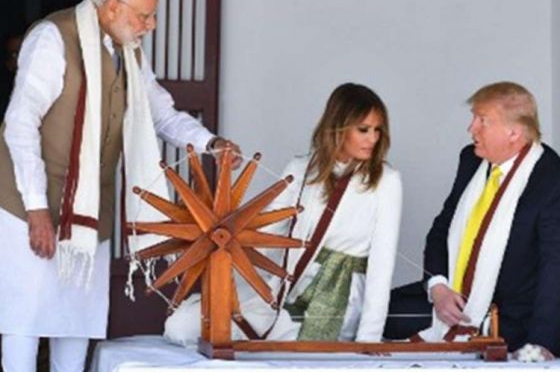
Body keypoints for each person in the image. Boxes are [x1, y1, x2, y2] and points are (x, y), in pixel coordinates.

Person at [0, 0, 240, 371]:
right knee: (25, 316)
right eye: (144, 15)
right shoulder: (53, 38)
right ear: (112, 7)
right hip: (27, 204)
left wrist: (209, 143)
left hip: (90, 210)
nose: (152, 25)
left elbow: (162, 113)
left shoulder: (128, 52)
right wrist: (37, 208)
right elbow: (20, 125)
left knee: (75, 319)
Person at [165, 82, 402, 344]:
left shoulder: (386, 181)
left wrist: (369, 339)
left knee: (287, 347)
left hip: (335, 298)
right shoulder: (300, 169)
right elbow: (263, 233)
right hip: (283, 288)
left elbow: (382, 266)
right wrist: (215, 241)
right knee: (180, 326)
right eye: (364, 130)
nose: (373, 139)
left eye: (378, 130)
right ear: (338, 127)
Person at [384, 82, 560, 361]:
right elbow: (440, 230)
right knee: (378, 313)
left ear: (514, 132)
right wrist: (438, 287)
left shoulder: (551, 177)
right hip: (451, 300)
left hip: (507, 315)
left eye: (482, 120)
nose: (471, 129)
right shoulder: (471, 160)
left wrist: (542, 342)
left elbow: (555, 268)